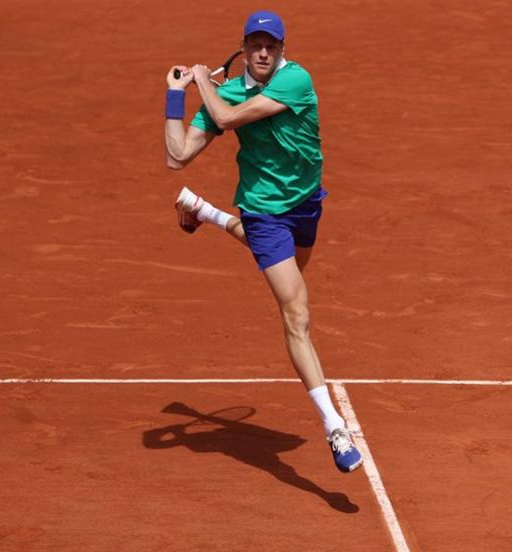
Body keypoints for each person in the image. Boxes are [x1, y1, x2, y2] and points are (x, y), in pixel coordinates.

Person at [163, 10, 362, 473]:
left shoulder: (296, 81)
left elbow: (228, 117)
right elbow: (178, 156)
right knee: (296, 311)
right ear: (244, 48)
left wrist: (201, 81)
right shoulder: (226, 91)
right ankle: (335, 428)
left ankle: (203, 211)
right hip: (264, 210)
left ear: (282, 49)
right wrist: (175, 96)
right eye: (254, 45)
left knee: (289, 268)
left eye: (270, 45)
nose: (262, 52)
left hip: (307, 203)